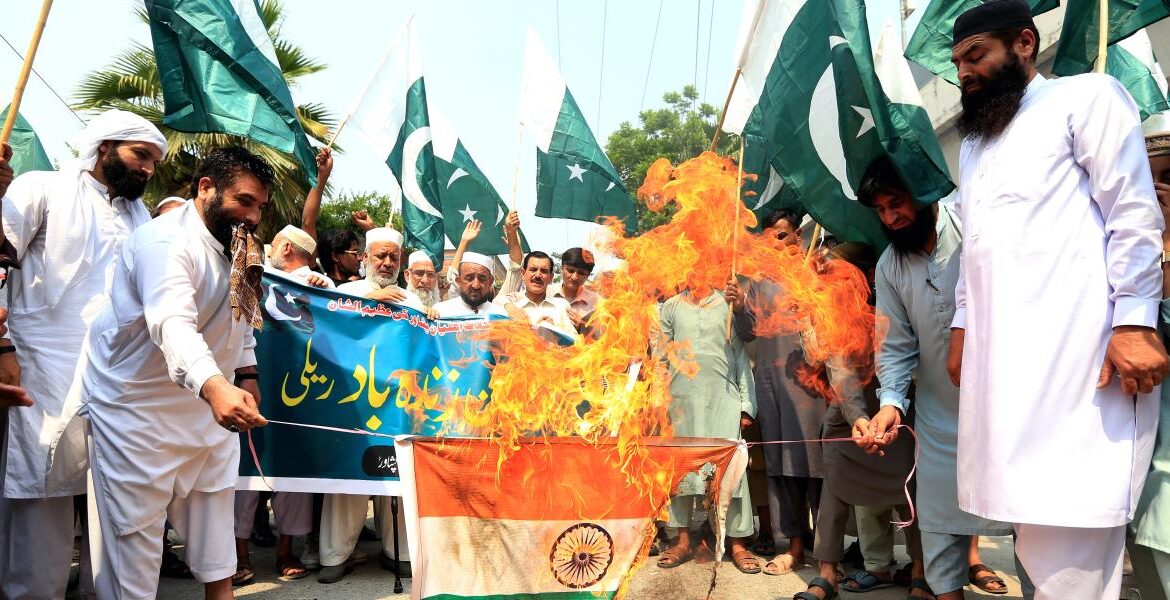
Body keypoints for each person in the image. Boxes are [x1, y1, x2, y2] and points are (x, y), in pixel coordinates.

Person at [946, 2, 1168, 597]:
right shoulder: (974, 145)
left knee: (1073, 542)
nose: (964, 72)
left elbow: (1133, 212)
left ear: (1024, 43)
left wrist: (1135, 322)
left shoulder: (1086, 97)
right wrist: (962, 329)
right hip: (1003, 378)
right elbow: (975, 252)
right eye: (957, 62)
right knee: (1033, 536)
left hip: (1078, 371)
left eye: (975, 55)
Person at [77, 146, 271, 599]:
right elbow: (172, 323)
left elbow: (240, 318)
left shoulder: (238, 243)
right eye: (244, 201)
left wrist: (245, 376)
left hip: (206, 408)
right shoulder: (164, 242)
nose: (254, 216)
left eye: (260, 206)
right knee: (135, 545)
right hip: (137, 414)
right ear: (206, 188)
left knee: (216, 532)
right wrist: (216, 386)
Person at [0, 109, 167, 600]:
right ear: (105, 147)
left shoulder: (140, 217)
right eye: (141, 155)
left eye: (154, 162)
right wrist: (2, 345)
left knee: (113, 496)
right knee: (41, 494)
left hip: (116, 377)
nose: (148, 169)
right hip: (41, 366)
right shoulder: (40, 188)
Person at [859, 156, 1020, 599]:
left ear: (923, 192)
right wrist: (891, 404)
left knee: (1029, 526)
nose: (890, 218)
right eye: (881, 210)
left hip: (1008, 412)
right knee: (938, 529)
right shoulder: (890, 266)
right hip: (939, 421)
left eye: (896, 203)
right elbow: (895, 345)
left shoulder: (976, 228)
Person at [791, 241, 926, 600]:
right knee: (833, 493)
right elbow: (835, 368)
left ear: (865, 276)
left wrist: (886, 412)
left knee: (909, 493)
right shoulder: (828, 313)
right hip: (847, 417)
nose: (829, 283)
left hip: (898, 416)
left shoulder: (894, 307)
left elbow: (909, 364)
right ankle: (827, 575)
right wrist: (858, 418)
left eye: (838, 275)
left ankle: (920, 571)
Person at [729, 208, 824, 577]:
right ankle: (795, 544)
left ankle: (827, 548)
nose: (776, 244)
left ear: (797, 235)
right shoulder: (759, 282)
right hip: (770, 384)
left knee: (816, 464)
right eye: (769, 238)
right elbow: (747, 333)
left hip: (811, 385)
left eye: (782, 236)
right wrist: (740, 307)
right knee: (782, 464)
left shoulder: (816, 271)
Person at [322, 226, 420, 584]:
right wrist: (373, 303)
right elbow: (328, 327)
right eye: (380, 255)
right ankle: (335, 555)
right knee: (348, 478)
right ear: (365, 258)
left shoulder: (412, 302)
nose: (387, 262)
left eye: (393, 256)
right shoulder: (345, 294)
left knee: (399, 476)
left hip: (397, 405)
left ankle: (399, 552)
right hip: (353, 402)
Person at [231, 224, 326, 586]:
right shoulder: (252, 278)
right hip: (250, 385)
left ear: (284, 248)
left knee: (292, 472)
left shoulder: (314, 285)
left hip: (296, 393)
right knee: (243, 472)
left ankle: (286, 551)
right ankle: (239, 556)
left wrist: (320, 286)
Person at [655, 286, 759, 574]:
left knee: (731, 470)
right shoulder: (671, 306)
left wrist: (746, 405)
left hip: (722, 398)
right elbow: (661, 357)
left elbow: (740, 357)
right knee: (680, 471)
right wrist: (658, 400)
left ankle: (737, 542)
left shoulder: (727, 303)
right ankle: (682, 539)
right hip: (680, 400)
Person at [1129, 113, 1170, 600]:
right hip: (1135, 475)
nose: (1158, 190)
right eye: (1148, 178)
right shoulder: (1119, 256)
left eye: (1169, 176)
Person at [499, 251, 575, 335]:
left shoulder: (561, 306)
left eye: (544, 271)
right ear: (523, 274)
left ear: (551, 277)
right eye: (533, 270)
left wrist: (555, 332)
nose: (538, 275)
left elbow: (576, 341)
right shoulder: (512, 307)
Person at [433, 252, 508, 318]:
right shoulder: (440, 312)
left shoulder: (500, 315)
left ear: (490, 282)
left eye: (482, 279)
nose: (476, 285)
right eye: (469, 278)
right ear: (458, 281)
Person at [551, 247, 600, 332]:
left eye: (581, 273)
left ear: (588, 275)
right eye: (570, 270)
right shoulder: (545, 294)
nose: (574, 277)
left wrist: (582, 327)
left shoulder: (597, 303)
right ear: (561, 268)